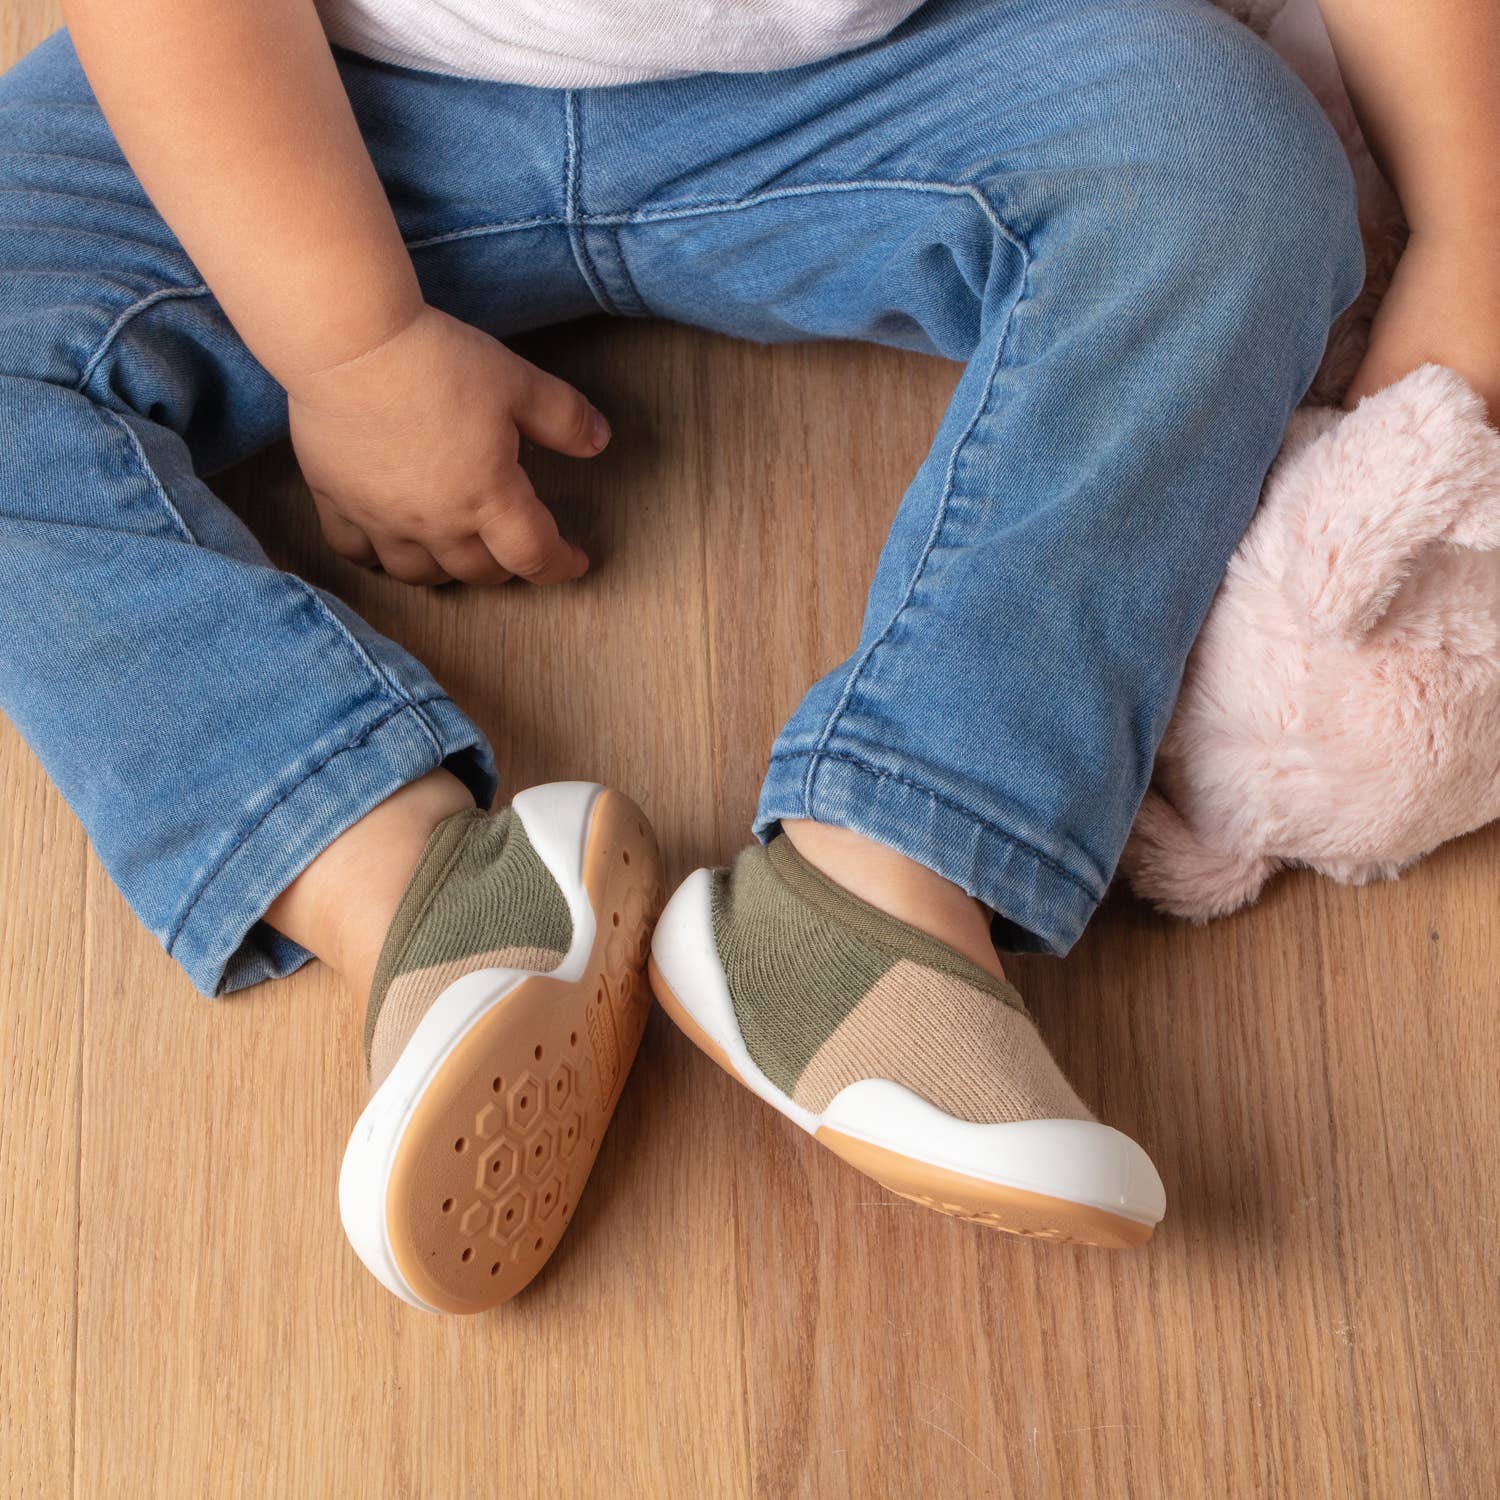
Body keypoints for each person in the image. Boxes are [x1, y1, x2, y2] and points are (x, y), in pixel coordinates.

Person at [1, 0, 1489, 1311]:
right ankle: (410, 891)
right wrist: (349, 347)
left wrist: (1472, 231)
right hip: (321, 105)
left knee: (1231, 167)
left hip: (884, 78)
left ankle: (885, 878)